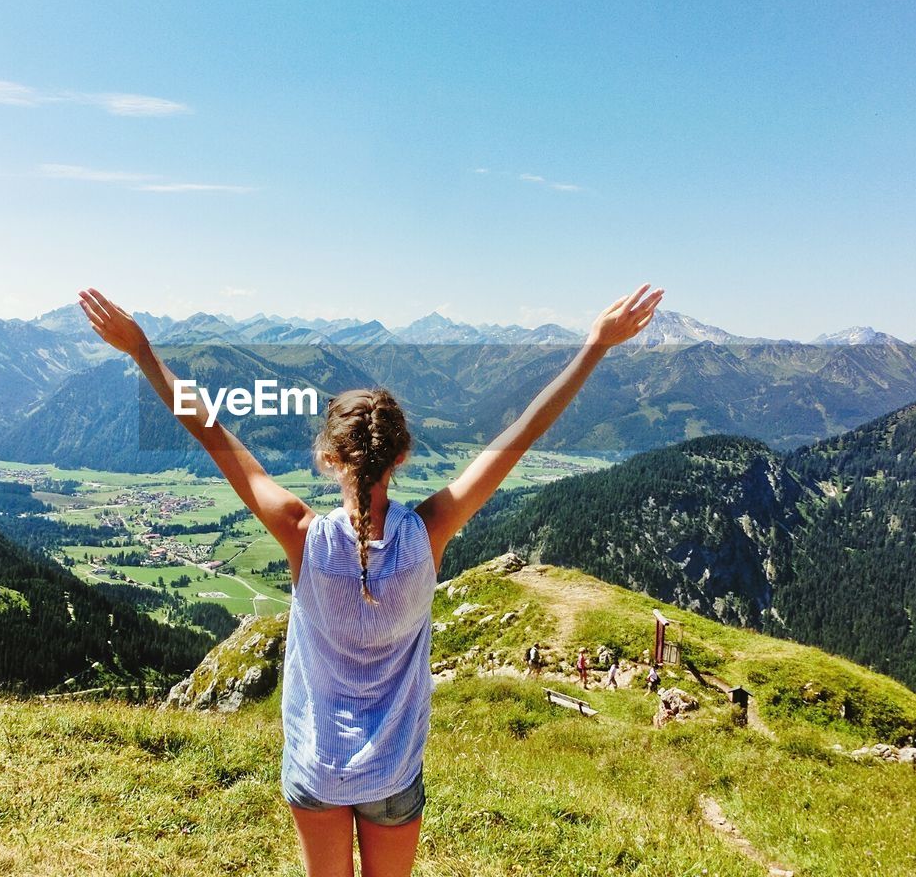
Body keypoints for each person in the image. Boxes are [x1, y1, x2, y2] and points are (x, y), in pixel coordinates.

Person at [78, 283, 663, 877]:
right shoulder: (428, 533)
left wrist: (143, 352)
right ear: (401, 457)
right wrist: (594, 347)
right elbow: (520, 437)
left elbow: (210, 432)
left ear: (330, 459)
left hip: (318, 766)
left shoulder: (302, 535)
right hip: (393, 772)